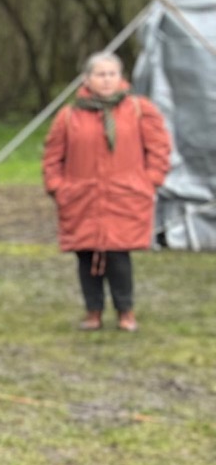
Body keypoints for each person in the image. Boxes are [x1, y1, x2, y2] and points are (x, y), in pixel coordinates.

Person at [43, 50, 172, 332]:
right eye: (100, 74)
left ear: (120, 77)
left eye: (111, 74)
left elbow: (159, 149)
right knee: (86, 254)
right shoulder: (69, 115)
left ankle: (125, 311)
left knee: (117, 255)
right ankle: (93, 311)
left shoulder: (139, 109)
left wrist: (150, 180)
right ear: (87, 79)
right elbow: (53, 155)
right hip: (81, 197)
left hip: (124, 196)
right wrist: (57, 187)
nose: (106, 80)